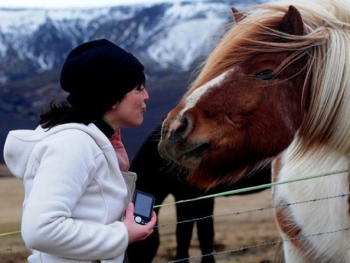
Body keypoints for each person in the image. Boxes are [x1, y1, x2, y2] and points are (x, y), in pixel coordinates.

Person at [3, 38, 156, 263]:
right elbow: (40, 230)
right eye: (138, 88)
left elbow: (95, 210)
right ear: (113, 96)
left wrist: (120, 168)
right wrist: (122, 235)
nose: (146, 96)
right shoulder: (74, 145)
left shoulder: (89, 142)